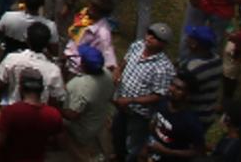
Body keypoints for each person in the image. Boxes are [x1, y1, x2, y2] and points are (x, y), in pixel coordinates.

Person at [115, 22, 177, 160]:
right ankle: (118, 155)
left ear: (163, 44)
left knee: (133, 144)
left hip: (138, 113)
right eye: (150, 33)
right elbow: (125, 61)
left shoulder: (164, 68)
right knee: (117, 133)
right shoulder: (137, 46)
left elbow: (158, 96)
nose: (149, 38)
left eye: (155, 37)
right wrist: (118, 71)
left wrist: (131, 100)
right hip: (121, 103)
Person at [0, 69, 63, 162]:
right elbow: (61, 144)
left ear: (20, 88)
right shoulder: (54, 114)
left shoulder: (11, 111)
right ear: (41, 89)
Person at [61, 44, 114, 162]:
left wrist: (59, 108)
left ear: (83, 64)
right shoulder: (107, 74)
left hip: (83, 130)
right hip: (99, 122)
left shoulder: (78, 85)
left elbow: (72, 115)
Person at [146, 72, 205, 160]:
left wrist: (168, 152)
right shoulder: (162, 101)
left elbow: (198, 151)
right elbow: (154, 121)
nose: (172, 89)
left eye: (179, 89)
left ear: (188, 95)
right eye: (172, 84)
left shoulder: (191, 121)